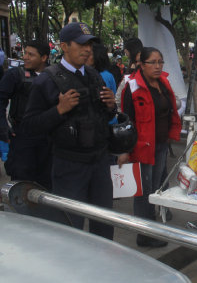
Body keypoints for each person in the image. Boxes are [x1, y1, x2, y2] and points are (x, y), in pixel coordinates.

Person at [21, 22, 118, 240]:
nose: (87, 49)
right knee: (70, 228)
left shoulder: (94, 75)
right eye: (82, 44)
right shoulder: (46, 80)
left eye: (90, 45)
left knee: (104, 224)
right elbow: (29, 126)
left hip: (100, 162)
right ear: (64, 46)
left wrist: (112, 107)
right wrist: (59, 110)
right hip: (69, 165)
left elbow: (105, 117)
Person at [119, 47, 181, 247]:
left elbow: (171, 109)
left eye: (160, 62)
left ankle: (152, 228)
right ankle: (144, 235)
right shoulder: (133, 87)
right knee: (143, 192)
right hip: (142, 146)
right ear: (141, 65)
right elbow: (127, 120)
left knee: (156, 189)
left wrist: (172, 134)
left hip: (161, 144)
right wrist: (125, 151)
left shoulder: (163, 83)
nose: (157, 66)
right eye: (152, 62)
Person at [1, 40, 51, 189]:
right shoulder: (15, 75)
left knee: (47, 181)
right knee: (22, 180)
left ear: (44, 58)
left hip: (48, 138)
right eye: (25, 53)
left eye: (31, 54)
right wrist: (4, 128)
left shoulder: (55, 75)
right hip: (22, 135)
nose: (25, 57)